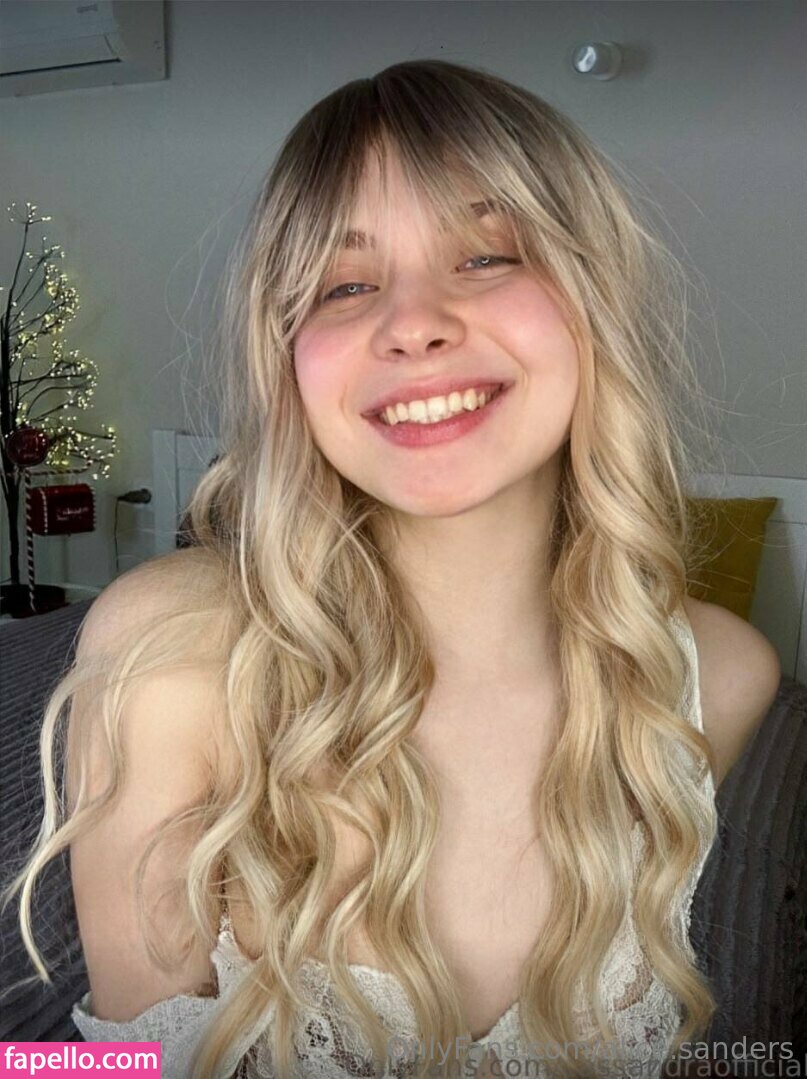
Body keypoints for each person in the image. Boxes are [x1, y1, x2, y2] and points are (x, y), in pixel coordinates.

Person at [1, 59, 781, 1079]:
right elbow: (115, 1065)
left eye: (488, 255)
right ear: (287, 355)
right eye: (347, 285)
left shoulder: (721, 675)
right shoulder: (170, 650)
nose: (412, 323)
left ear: (594, 303)